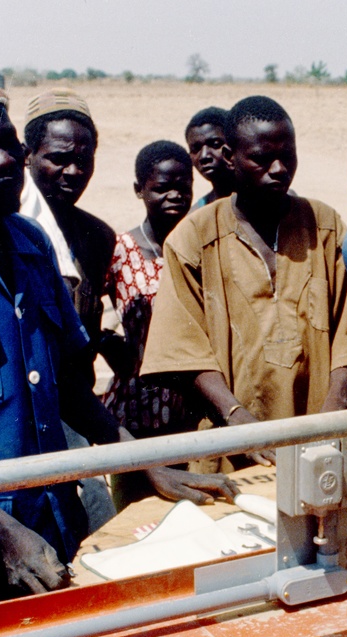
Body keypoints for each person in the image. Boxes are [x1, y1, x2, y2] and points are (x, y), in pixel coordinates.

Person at [0, 57, 236, 597]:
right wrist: (0, 534)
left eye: (9, 142)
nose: (5, 162)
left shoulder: (32, 244)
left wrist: (142, 460)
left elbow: (69, 385)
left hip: (56, 521)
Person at [142, 95, 347, 469]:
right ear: (230, 157)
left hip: (319, 439)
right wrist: (236, 418)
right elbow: (184, 349)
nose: (279, 169)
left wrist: (331, 414)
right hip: (231, 441)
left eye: (288, 156)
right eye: (262, 158)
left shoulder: (325, 226)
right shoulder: (194, 238)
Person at [103, 140, 197, 439]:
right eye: (162, 188)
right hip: (136, 405)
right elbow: (81, 312)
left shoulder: (201, 248)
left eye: (184, 188)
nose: (175, 196)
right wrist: (107, 342)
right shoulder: (120, 250)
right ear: (139, 189)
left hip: (194, 403)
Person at [20, 87, 115, 368]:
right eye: (59, 159)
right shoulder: (6, 229)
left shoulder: (98, 237)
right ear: (28, 155)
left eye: (83, 161)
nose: (73, 172)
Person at [185, 106, 235, 210]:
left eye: (215, 144)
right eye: (196, 149)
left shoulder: (267, 199)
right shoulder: (197, 215)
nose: (204, 156)